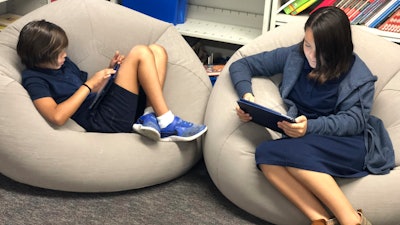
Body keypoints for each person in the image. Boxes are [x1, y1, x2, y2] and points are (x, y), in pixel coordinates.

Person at [230, 6, 395, 225]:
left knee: (286, 154)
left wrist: (310, 127)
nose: (311, 55)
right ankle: (322, 220)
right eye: (308, 45)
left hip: (348, 143)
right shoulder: (295, 55)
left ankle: (352, 220)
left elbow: (354, 122)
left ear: (338, 49)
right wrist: (247, 96)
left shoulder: (359, 76)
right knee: (265, 154)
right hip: (306, 138)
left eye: (321, 50)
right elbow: (242, 64)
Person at [17, 19, 207, 142]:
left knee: (157, 50)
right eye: (59, 53)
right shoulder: (34, 79)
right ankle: (167, 121)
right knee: (139, 52)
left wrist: (113, 71)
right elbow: (57, 117)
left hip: (104, 105)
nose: (65, 55)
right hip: (102, 121)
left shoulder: (64, 64)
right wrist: (89, 84)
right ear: (42, 55)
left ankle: (149, 116)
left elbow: (91, 93)